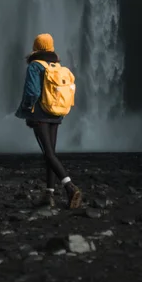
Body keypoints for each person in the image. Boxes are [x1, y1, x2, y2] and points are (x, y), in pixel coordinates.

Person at [15, 33, 82, 209]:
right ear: (51, 47)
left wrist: (28, 111)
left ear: (35, 47)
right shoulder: (56, 66)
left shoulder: (35, 66)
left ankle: (69, 187)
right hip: (56, 114)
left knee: (48, 153)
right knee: (50, 153)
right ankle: (49, 194)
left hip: (41, 114)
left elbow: (32, 92)